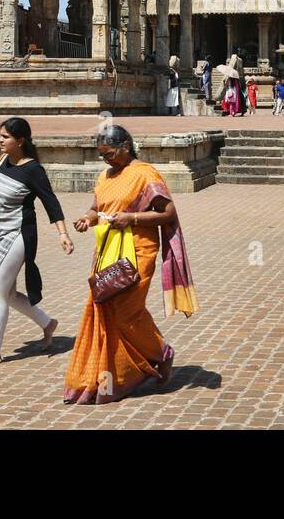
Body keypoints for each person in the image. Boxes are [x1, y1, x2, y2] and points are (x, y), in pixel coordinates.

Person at [65, 125, 197, 404]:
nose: (107, 161)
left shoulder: (144, 174)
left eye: (110, 154)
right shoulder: (105, 176)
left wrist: (132, 218)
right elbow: (97, 207)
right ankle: (119, 372)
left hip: (138, 251)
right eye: (102, 156)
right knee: (105, 309)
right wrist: (87, 219)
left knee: (127, 311)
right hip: (107, 251)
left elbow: (168, 212)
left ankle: (161, 352)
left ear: (126, 147)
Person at [0, 117, 74, 370]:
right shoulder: (4, 162)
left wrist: (63, 233)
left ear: (20, 140)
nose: (0, 140)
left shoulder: (33, 170)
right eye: (0, 135)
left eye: (5, 137)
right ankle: (47, 323)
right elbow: (0, 196)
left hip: (18, 235)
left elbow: (51, 203)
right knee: (7, 293)